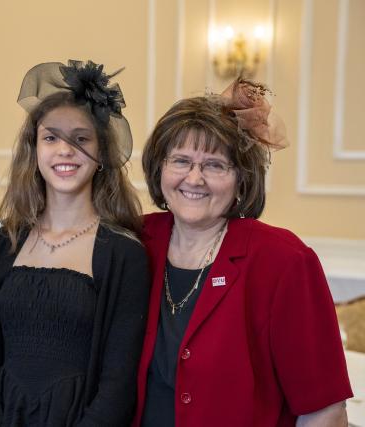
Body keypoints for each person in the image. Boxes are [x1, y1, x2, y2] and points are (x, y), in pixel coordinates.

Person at [133, 78, 352, 426]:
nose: (194, 178)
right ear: (159, 168)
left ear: (241, 178)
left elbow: (324, 409)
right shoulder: (135, 241)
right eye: (181, 161)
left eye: (215, 165)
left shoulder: (282, 261)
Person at [0, 60, 150, 426]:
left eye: (80, 139)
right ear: (34, 150)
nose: (65, 150)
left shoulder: (124, 254)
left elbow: (118, 385)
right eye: (51, 138)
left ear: (101, 156)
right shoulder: (3, 244)